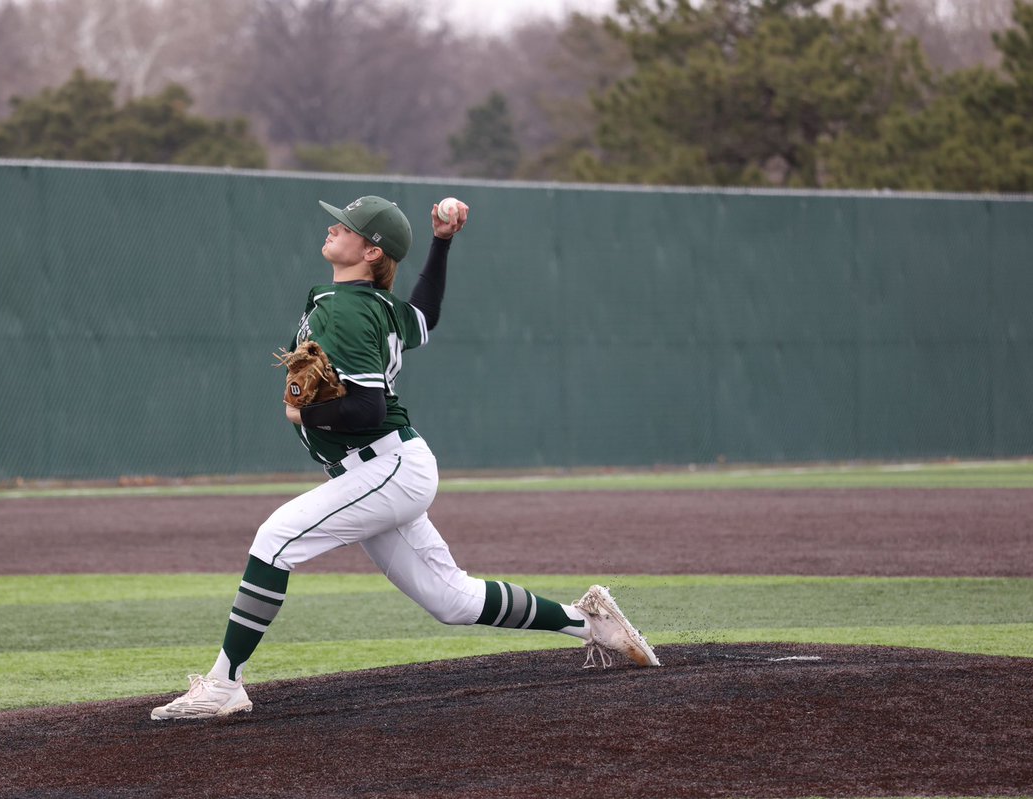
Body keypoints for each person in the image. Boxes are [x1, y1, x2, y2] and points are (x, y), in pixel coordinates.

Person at [151, 195, 660, 721]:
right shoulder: (370, 303)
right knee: (452, 602)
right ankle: (588, 621)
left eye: (346, 226)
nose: (333, 227)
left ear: (372, 252)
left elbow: (368, 406)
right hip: (384, 469)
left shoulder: (350, 308)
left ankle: (224, 683)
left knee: (275, 540)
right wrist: (441, 243)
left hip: (385, 468)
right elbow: (425, 315)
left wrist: (305, 416)